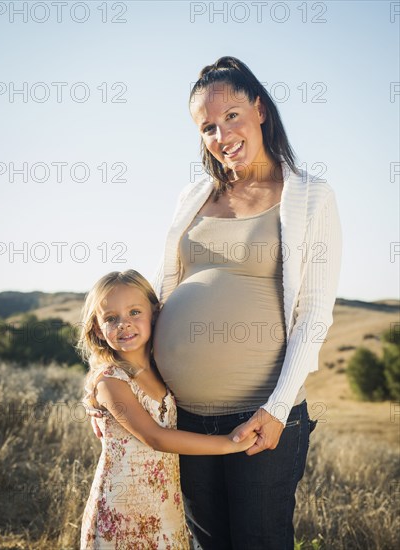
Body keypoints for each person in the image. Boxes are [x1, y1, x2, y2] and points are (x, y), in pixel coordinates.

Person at [150, 56, 342, 549]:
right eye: (208, 127)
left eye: (231, 115)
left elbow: (314, 314)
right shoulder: (193, 196)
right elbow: (161, 294)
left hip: (261, 419)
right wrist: (118, 378)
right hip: (187, 420)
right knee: (207, 543)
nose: (222, 134)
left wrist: (278, 410)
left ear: (259, 108)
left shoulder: (310, 197)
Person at [78, 269, 257, 549]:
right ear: (99, 329)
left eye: (134, 312)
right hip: (124, 505)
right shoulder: (111, 382)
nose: (124, 324)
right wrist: (228, 444)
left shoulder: (163, 369)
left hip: (163, 501)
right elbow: (155, 437)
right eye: (111, 319)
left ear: (154, 313)